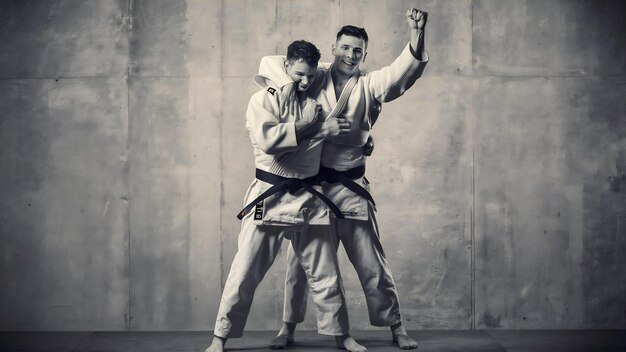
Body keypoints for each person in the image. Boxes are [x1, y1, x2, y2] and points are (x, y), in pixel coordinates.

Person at [258, 8, 429, 350]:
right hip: (313, 189)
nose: (351, 55)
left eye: (358, 51)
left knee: (372, 261)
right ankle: (287, 328)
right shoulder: (312, 77)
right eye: (346, 47)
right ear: (333, 48)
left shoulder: (367, 84)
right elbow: (272, 64)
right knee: (300, 265)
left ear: (364, 56)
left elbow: (400, 75)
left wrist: (416, 33)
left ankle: (396, 327)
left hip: (349, 189)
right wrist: (293, 89)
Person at [204, 40, 367, 352]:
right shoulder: (262, 101)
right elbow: (270, 143)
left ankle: (341, 335)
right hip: (271, 194)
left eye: (309, 76)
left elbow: (332, 76)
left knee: (326, 273)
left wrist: (360, 139)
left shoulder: (316, 97)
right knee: (245, 271)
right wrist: (312, 127)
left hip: (309, 197)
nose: (305, 81)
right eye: (298, 75)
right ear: (285, 67)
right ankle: (219, 338)